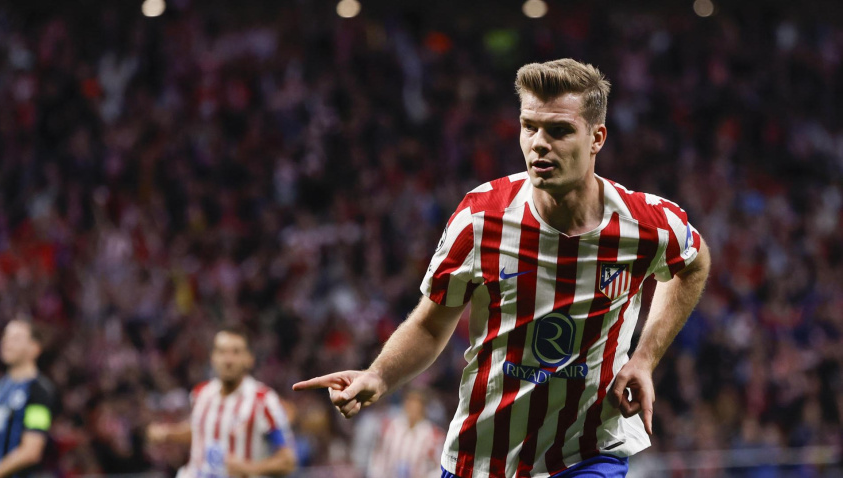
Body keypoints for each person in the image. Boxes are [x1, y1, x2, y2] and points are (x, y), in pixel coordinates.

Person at [294, 58, 711, 478]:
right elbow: (430, 324)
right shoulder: (481, 217)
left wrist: (644, 358)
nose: (539, 143)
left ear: (596, 138)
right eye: (529, 126)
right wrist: (379, 376)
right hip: (480, 458)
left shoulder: (646, 223)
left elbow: (693, 263)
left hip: (587, 454)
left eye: (560, 130)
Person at [147, 326, 296, 477]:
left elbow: (287, 461)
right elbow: (201, 430)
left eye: (236, 352)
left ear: (249, 359)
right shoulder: (200, 394)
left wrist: (248, 468)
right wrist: (167, 434)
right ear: (213, 357)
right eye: (222, 352)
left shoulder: (263, 401)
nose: (228, 360)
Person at [0, 320, 55, 478]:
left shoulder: (39, 392)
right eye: (5, 337)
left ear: (35, 348)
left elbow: (31, 451)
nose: (7, 343)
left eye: (16, 338)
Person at [365, 389, 446, 478]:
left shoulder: (433, 435)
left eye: (417, 405)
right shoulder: (390, 427)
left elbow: (439, 467)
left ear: (423, 408)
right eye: (410, 403)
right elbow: (378, 456)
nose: (413, 409)